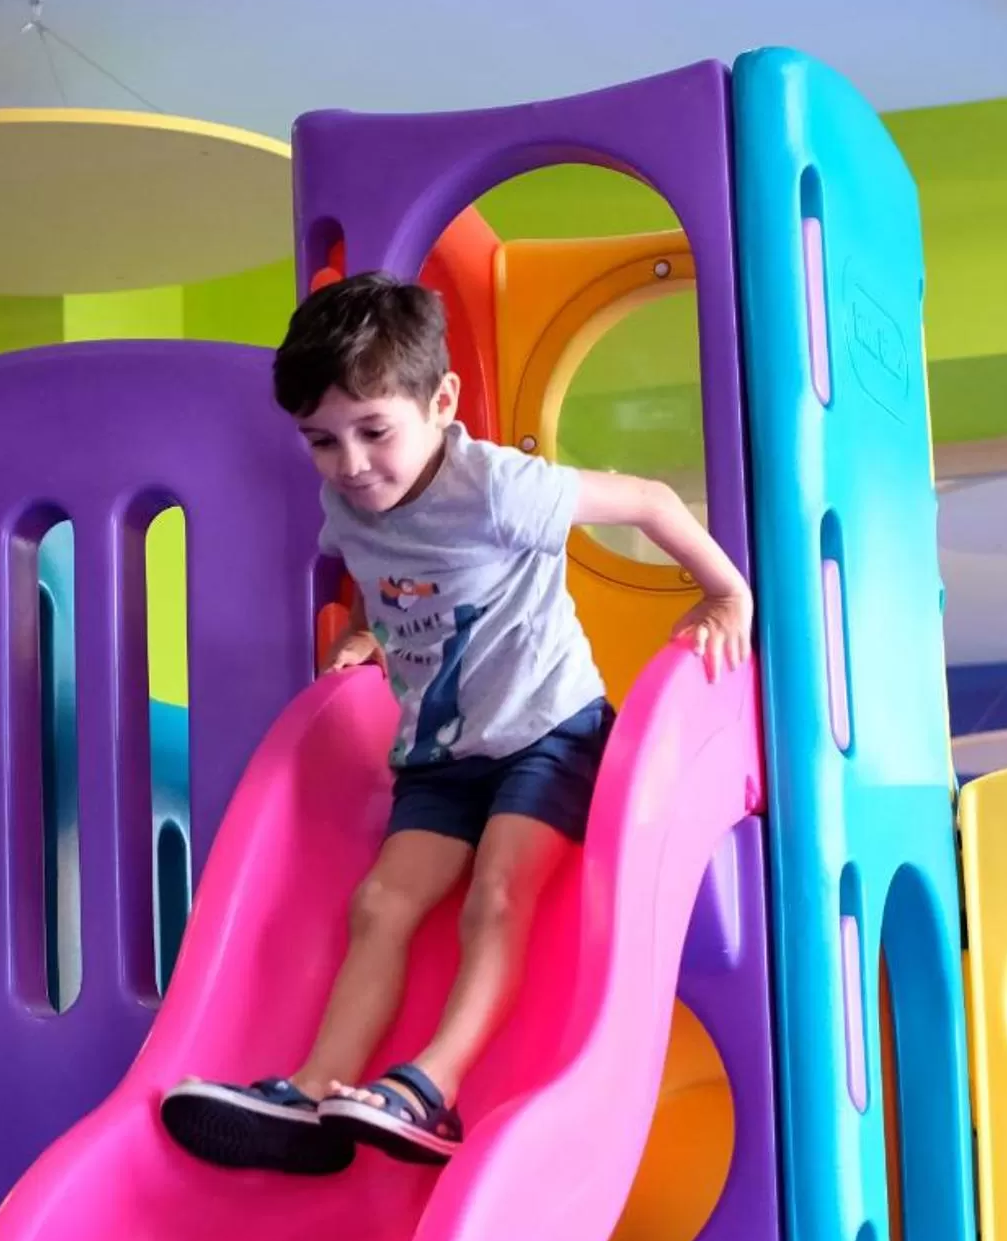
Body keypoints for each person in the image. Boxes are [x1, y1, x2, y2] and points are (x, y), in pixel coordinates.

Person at [162, 272, 751, 1173]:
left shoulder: (499, 490)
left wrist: (723, 591)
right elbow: (392, 572)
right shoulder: (346, 503)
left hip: (547, 735)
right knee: (379, 904)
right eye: (320, 441)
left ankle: (430, 1087)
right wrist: (368, 629)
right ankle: (317, 1088)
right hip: (438, 756)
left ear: (440, 403)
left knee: (497, 897)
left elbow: (650, 502)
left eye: (372, 432)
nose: (350, 463)